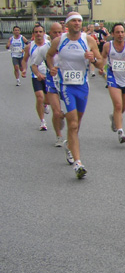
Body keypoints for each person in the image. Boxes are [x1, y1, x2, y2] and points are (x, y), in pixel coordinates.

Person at [46, 12, 103, 179]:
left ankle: (69, 146)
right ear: (67, 24)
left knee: (77, 124)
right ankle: (78, 163)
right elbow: (49, 55)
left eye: (79, 21)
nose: (77, 23)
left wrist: (93, 59)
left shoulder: (88, 40)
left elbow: (100, 63)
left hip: (83, 87)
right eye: (74, 21)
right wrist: (52, 67)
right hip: (66, 86)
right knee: (72, 124)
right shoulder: (59, 40)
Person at [101, 23, 125, 144]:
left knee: (122, 108)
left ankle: (115, 119)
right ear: (113, 34)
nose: (120, 34)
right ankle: (121, 132)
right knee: (117, 105)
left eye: (122, 32)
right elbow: (103, 58)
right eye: (117, 32)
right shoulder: (107, 46)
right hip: (113, 77)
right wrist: (101, 67)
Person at [31, 22, 65, 146]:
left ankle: (62, 122)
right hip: (51, 82)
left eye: (59, 32)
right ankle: (59, 137)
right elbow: (34, 65)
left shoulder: (68, 46)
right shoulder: (44, 48)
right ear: (50, 34)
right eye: (54, 32)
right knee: (56, 112)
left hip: (67, 83)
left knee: (66, 113)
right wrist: (38, 74)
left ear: (63, 32)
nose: (57, 35)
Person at [22, 24, 50, 131]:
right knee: (39, 96)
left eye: (40, 32)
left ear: (44, 33)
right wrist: (24, 70)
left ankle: (45, 104)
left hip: (48, 76)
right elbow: (25, 60)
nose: (38, 34)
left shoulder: (49, 45)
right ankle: (42, 121)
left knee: (47, 99)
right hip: (36, 75)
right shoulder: (30, 46)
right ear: (33, 34)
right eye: (36, 32)